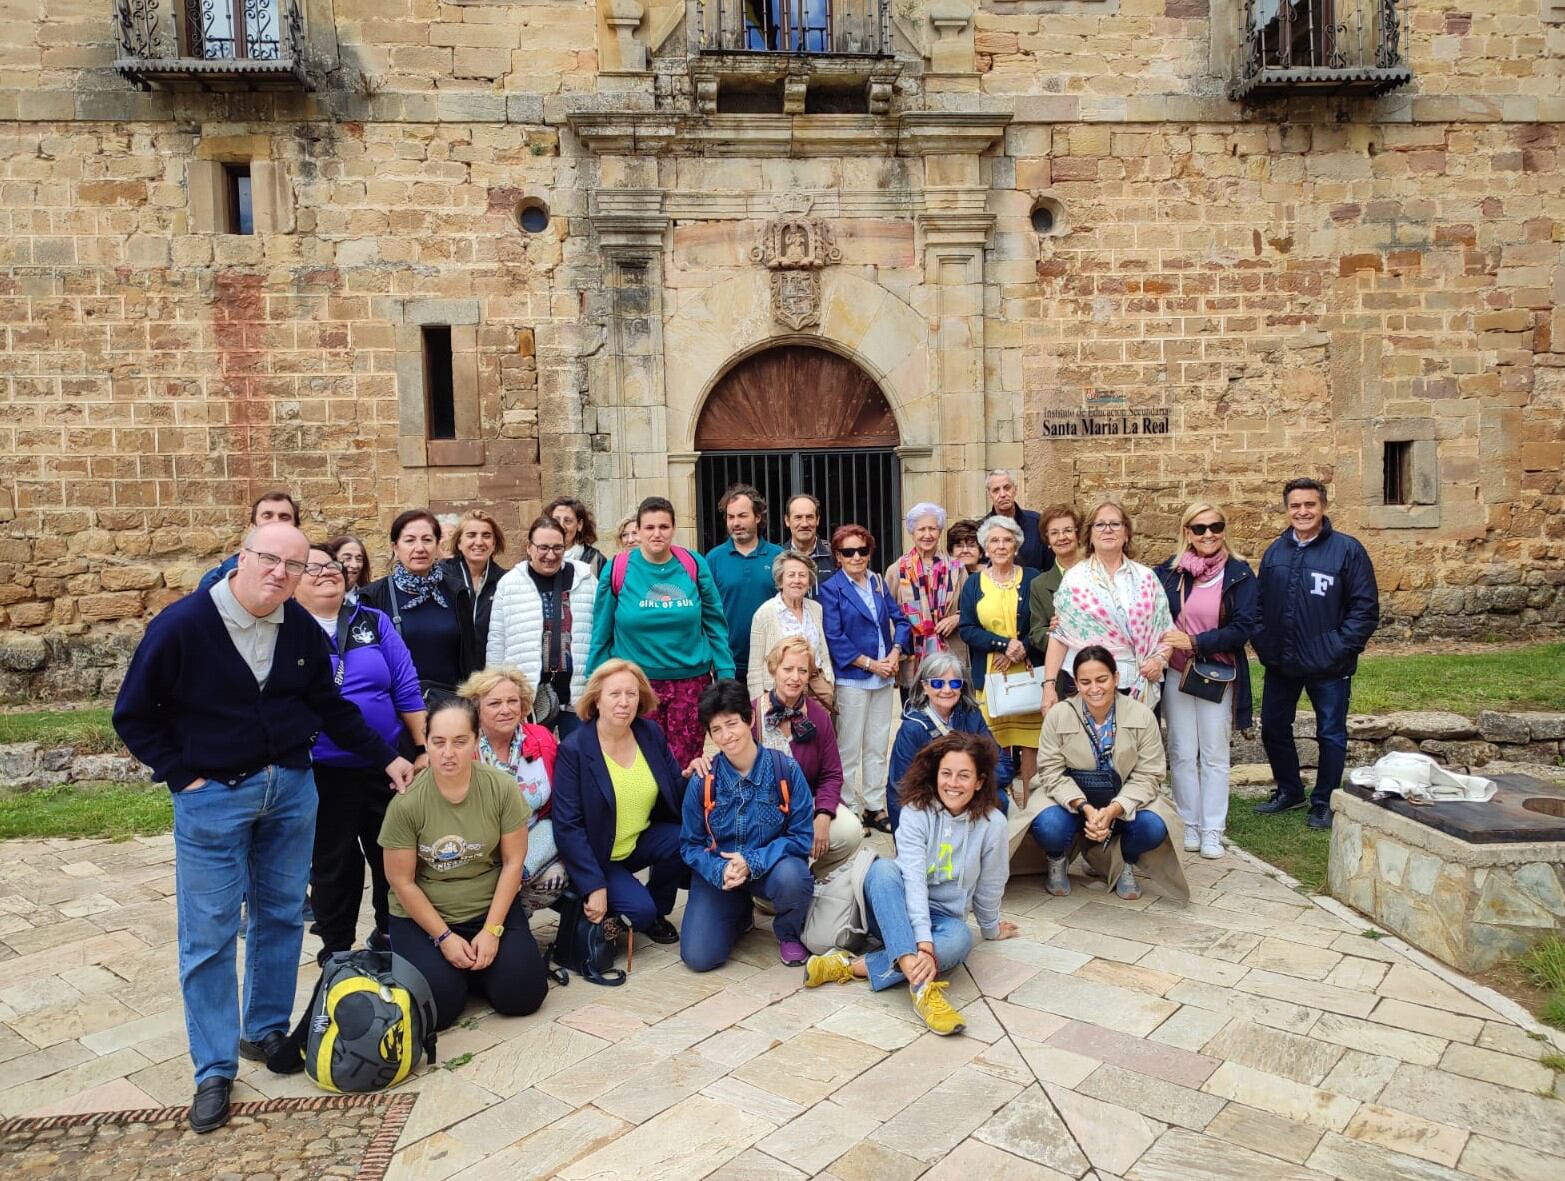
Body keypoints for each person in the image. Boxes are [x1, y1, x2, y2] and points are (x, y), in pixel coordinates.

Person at [112, 522, 415, 1134]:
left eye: (294, 566)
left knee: (280, 916)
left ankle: (264, 1030)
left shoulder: (297, 626)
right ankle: (213, 1070)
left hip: (290, 792)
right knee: (210, 934)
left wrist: (387, 755)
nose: (281, 574)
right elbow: (134, 714)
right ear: (242, 558)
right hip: (213, 798)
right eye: (269, 560)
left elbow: (330, 707)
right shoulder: (182, 626)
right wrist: (181, 774)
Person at [803, 732, 1018, 1036]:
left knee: (960, 940)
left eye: (964, 775)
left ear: (980, 781)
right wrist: (925, 947)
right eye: (946, 773)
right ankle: (923, 989)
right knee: (883, 871)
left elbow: (992, 882)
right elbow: (913, 880)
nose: (953, 783)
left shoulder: (993, 824)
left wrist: (991, 927)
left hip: (943, 919)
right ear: (936, 774)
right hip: (895, 907)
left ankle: (849, 966)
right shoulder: (917, 812)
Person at [380, 697, 549, 1031]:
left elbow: (514, 862)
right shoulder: (407, 803)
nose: (448, 753)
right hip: (425, 916)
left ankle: (480, 969)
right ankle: (454, 973)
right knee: (438, 1010)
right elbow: (401, 882)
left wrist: (492, 930)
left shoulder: (501, 788)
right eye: (438, 742)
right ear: (426, 743)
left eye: (460, 741)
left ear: (475, 742)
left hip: (486, 908)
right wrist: (443, 938)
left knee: (523, 997)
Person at [294, 543, 427, 962]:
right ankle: (336, 949)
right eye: (312, 568)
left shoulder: (373, 621)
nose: (326, 573)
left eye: (331, 566)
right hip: (321, 768)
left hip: (385, 763)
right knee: (334, 863)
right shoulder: (289, 630)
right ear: (293, 582)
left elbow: (405, 686)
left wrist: (421, 747)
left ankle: (391, 936)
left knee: (390, 851)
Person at [1252, 478, 1380, 830]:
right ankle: (1290, 790)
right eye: (1295, 506)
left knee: (1331, 734)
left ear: (1322, 507)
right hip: (1281, 661)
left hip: (1328, 665)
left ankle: (1323, 801)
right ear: (1287, 509)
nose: (1303, 512)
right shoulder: (1275, 551)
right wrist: (1263, 641)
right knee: (1275, 728)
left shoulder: (1347, 551)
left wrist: (1337, 648)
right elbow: (1259, 605)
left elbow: (1364, 609)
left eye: (1309, 505)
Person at [1031, 646, 1189, 902]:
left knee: (1154, 826)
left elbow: (1150, 774)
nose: (1094, 688)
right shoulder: (1058, 715)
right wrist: (1085, 807)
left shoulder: (1142, 715)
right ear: (1076, 683)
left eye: (1102, 679)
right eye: (1085, 682)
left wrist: (1115, 809)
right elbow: (1050, 771)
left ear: (1115, 678)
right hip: (1071, 799)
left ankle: (1125, 860)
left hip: (1122, 797)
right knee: (1048, 825)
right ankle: (1057, 858)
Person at [587, 496, 734, 770]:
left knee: (687, 765)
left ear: (673, 528)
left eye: (664, 527)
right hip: (637, 685)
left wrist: (725, 674)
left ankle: (682, 813)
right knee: (642, 762)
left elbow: (715, 622)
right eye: (650, 527)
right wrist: (593, 684)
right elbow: (601, 631)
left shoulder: (693, 564)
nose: (657, 534)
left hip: (690, 684)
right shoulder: (619, 568)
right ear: (639, 530)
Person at [679, 679, 815, 969]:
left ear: (750, 719)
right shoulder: (704, 780)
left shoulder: (785, 770)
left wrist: (752, 860)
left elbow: (802, 837)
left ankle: (789, 933)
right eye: (716, 729)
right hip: (720, 875)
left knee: (795, 876)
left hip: (770, 869)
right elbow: (689, 844)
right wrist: (719, 868)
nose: (726, 736)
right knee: (699, 958)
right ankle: (738, 912)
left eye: (732, 724)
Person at [550, 660, 687, 943]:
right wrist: (594, 884)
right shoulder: (574, 749)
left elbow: (675, 787)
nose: (624, 702)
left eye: (631, 694)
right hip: (599, 855)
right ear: (597, 698)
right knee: (639, 912)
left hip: (638, 840)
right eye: (615, 694)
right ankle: (629, 905)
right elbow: (567, 826)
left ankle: (656, 909)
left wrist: (695, 774)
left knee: (685, 839)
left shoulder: (649, 733)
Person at [1154, 503, 1259, 859]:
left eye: (1215, 526)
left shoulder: (1239, 574)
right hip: (1178, 672)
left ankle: (1213, 828)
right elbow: (1150, 609)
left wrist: (1197, 642)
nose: (1208, 534)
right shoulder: (1170, 573)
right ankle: (1189, 823)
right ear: (1187, 532)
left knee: (1214, 753)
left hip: (1216, 672)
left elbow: (1243, 627)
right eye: (1199, 528)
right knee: (1182, 751)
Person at [819, 524, 910, 833]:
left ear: (870, 552)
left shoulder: (879, 583)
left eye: (862, 550)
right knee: (848, 748)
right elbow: (835, 637)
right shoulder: (831, 589)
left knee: (876, 745)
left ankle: (873, 805)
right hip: (853, 679)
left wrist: (896, 653)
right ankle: (850, 808)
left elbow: (901, 621)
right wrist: (873, 665)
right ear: (838, 557)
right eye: (848, 552)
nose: (856, 556)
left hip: (884, 677)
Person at [1043, 500, 1173, 712]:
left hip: (1138, 681)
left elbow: (1166, 631)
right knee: (1089, 745)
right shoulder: (1075, 579)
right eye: (1100, 525)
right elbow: (1060, 635)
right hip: (1089, 686)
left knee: (1138, 744)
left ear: (1126, 533)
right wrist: (1048, 686)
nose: (1108, 530)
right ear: (1090, 535)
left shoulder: (1146, 578)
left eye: (1115, 524)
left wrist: (1159, 660)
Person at [458, 666, 567, 908]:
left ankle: (516, 918)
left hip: (532, 838)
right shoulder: (463, 747)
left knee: (554, 878)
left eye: (512, 701)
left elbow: (561, 805)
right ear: (477, 708)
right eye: (495, 703)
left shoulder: (542, 739)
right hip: (482, 847)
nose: (506, 710)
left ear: (523, 705)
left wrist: (519, 867)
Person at [753, 637, 862, 878]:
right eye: (788, 669)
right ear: (773, 669)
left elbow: (832, 774)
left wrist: (823, 815)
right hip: (763, 810)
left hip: (807, 803)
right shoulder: (752, 715)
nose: (795, 677)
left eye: (802, 670)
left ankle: (812, 879)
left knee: (850, 831)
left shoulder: (818, 716)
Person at [486, 516, 597, 740]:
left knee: (579, 762)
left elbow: (598, 633)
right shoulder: (510, 584)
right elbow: (497, 641)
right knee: (534, 763)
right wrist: (494, 692)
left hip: (577, 694)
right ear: (529, 547)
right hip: (529, 697)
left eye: (557, 547)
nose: (550, 554)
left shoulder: (585, 579)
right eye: (543, 547)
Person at [958, 514, 1046, 789]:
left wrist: (1020, 649)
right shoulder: (974, 583)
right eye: (994, 540)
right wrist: (1002, 644)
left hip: (1028, 671)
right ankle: (1002, 805)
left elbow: (1040, 624)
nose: (1000, 546)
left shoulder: (1033, 578)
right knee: (995, 744)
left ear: (1016, 545)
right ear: (985, 546)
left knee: (1031, 744)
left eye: (1007, 540)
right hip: (992, 673)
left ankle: (1031, 811)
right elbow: (967, 628)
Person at [886, 650, 1014, 830]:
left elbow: (1002, 764)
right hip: (930, 802)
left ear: (961, 686)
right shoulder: (912, 728)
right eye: (937, 683)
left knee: (999, 798)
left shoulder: (971, 715)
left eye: (954, 683)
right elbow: (899, 787)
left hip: (969, 792)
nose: (946, 690)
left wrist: (968, 785)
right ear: (925, 687)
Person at [360, 510, 479, 701]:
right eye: (410, 540)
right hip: (397, 705)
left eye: (427, 539)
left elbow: (470, 657)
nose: (420, 548)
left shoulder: (457, 592)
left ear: (438, 545)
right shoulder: (373, 597)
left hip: (450, 705)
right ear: (395, 547)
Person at [885, 502, 965, 699]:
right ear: (912, 532)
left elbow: (972, 608)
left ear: (939, 532)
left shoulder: (957, 568)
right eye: (921, 529)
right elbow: (887, 615)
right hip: (913, 660)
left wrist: (957, 618)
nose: (927, 534)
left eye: (932, 528)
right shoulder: (897, 570)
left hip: (950, 655)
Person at [706, 483, 785, 677]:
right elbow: (705, 612)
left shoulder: (779, 557)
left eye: (742, 516)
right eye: (730, 517)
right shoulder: (713, 559)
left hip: (773, 663)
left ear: (758, 517)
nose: (736, 523)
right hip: (727, 664)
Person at [746, 551, 834, 709]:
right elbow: (755, 667)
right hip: (780, 692)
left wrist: (829, 681)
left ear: (809, 582)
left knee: (819, 732)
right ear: (780, 581)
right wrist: (758, 704)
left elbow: (822, 650)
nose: (797, 580)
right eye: (791, 575)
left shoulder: (815, 609)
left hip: (817, 689)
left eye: (802, 575)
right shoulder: (765, 613)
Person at [1026, 504, 1083, 694]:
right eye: (1054, 533)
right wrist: (1053, 632)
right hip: (1063, 675)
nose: (1062, 537)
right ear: (1048, 541)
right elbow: (1036, 634)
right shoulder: (1039, 584)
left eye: (1068, 530)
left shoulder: (1097, 573)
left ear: (1078, 535)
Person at [197, 490, 300, 591]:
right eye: (267, 516)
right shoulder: (217, 580)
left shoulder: (311, 571)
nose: (276, 522)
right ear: (253, 527)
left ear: (296, 527)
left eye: (284, 517)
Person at [442, 509, 508, 660]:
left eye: (486, 536)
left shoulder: (506, 581)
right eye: (471, 535)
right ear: (459, 542)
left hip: (489, 674)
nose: (479, 542)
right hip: (450, 675)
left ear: (494, 543)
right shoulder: (441, 577)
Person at [983, 469, 1049, 571]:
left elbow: (1050, 563)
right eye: (996, 490)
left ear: (1015, 489)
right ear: (989, 495)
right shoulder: (981, 528)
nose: (1002, 494)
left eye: (1007, 488)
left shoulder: (1037, 523)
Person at [546, 496, 608, 578]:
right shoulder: (539, 555)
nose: (561, 526)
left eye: (567, 521)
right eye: (556, 520)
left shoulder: (596, 560)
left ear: (579, 524)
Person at [784, 492, 835, 581]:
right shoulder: (778, 556)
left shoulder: (833, 554)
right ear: (787, 521)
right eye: (798, 517)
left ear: (817, 520)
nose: (804, 524)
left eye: (809, 517)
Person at [326, 534, 372, 603]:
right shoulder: (315, 598)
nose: (354, 565)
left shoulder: (372, 600)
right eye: (347, 558)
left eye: (359, 559)